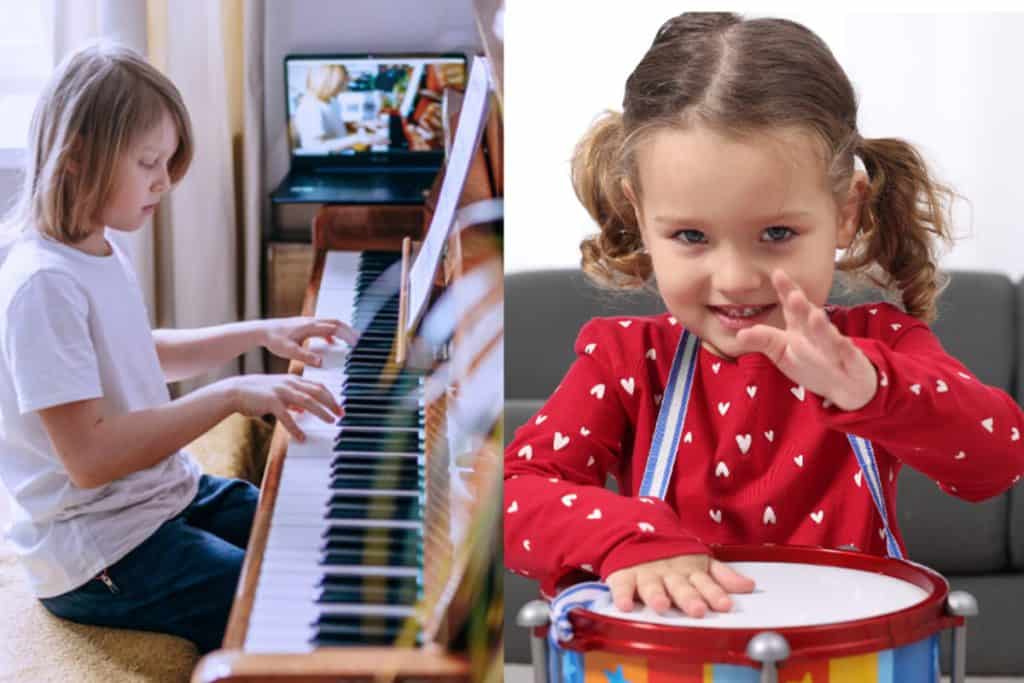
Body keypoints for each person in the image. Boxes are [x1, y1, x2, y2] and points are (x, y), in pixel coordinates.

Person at [504, 12, 1024, 620]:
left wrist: (869, 388)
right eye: (691, 235)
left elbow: (998, 462)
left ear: (847, 211)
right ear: (639, 215)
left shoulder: (878, 347)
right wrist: (628, 538)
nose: (735, 279)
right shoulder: (625, 363)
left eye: (777, 232)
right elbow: (514, 497)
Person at [0, 42, 354, 653]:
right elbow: (90, 458)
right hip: (99, 550)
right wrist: (230, 394)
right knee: (281, 606)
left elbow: (142, 351)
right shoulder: (43, 285)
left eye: (166, 162)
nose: (164, 181)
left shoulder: (96, 244)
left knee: (315, 524)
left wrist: (260, 332)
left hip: (163, 496)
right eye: (148, 162)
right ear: (78, 157)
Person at [292, 63, 386, 153]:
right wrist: (357, 138)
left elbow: (334, 126)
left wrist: (363, 124)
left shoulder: (330, 100)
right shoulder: (310, 107)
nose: (346, 85)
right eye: (341, 83)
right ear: (329, 83)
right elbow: (315, 148)